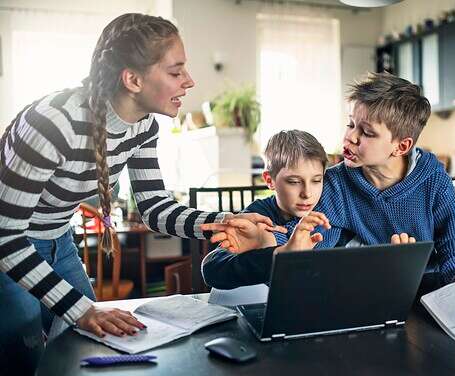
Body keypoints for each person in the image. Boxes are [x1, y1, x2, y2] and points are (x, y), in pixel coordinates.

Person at [0, 13, 279, 374]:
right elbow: (6, 235)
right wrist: (82, 310)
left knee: (80, 351)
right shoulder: (55, 122)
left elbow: (155, 208)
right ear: (132, 79)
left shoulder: (143, 126)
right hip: (10, 249)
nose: (190, 82)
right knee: (24, 359)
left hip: (58, 240)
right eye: (176, 72)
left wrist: (222, 221)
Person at [204, 72, 455, 291]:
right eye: (350, 124)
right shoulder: (336, 183)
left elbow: (454, 236)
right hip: (380, 292)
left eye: (367, 132)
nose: (351, 137)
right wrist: (266, 239)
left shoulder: (433, 177)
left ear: (401, 145)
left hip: (430, 290)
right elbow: (310, 237)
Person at [201, 130, 415, 289]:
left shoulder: (328, 216)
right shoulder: (258, 218)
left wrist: (394, 261)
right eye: (294, 182)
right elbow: (212, 269)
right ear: (270, 180)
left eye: (316, 181)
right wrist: (277, 253)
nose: (307, 193)